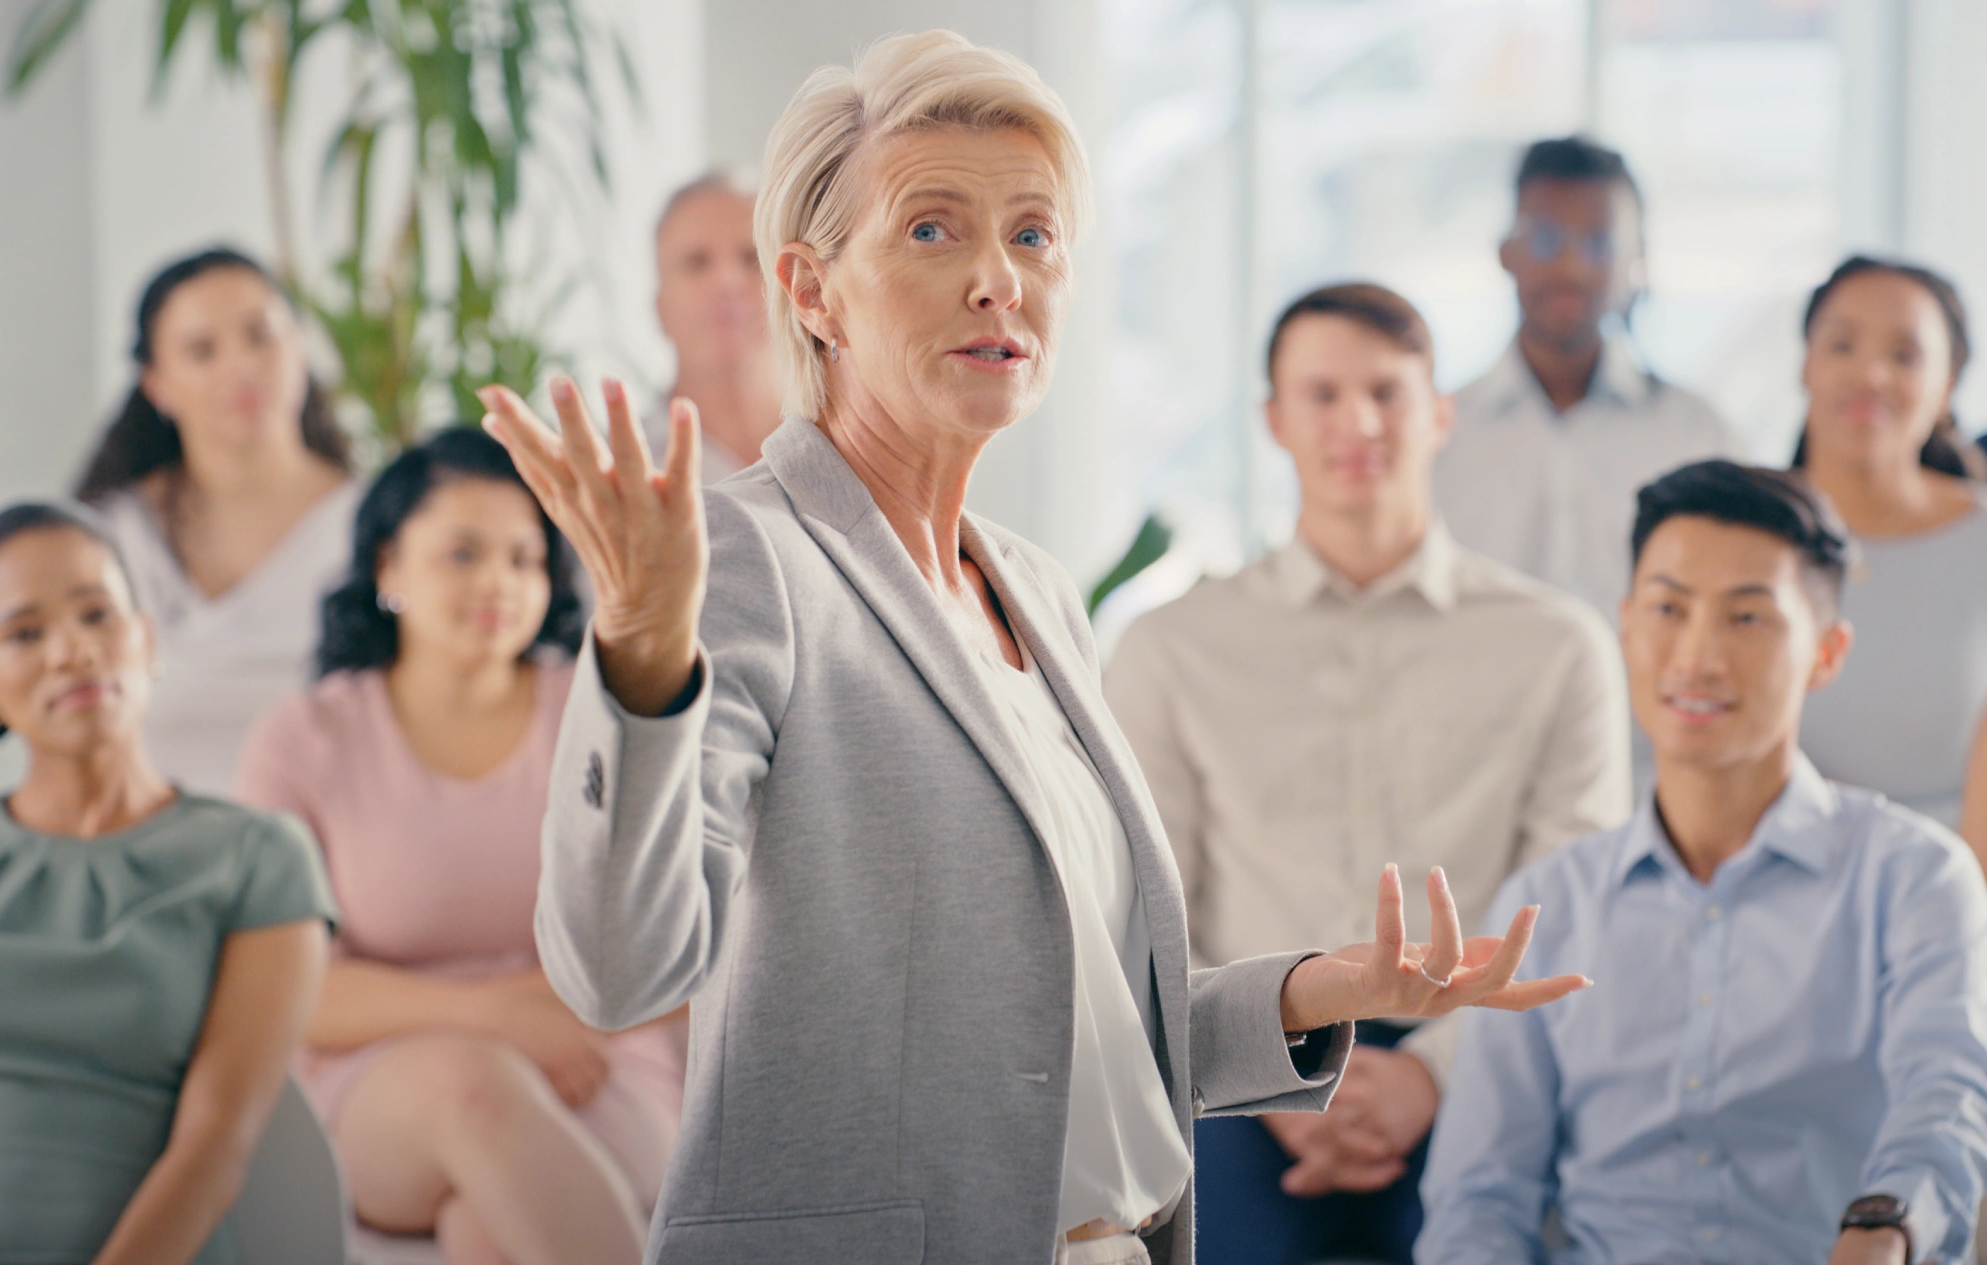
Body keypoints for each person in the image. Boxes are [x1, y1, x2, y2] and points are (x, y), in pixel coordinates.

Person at [476, 30, 1584, 1265]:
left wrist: (1326, 988)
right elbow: (620, 970)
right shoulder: (746, 558)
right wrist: (636, 646)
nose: (997, 277)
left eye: (1034, 234)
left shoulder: (1040, 593)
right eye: (933, 229)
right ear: (810, 288)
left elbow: (1079, 1034)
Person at [1106, 283, 1632, 1265]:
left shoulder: (1556, 644)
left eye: (1386, 392)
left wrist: (1434, 1075)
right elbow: (1143, 910)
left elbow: (1574, 898)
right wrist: (1273, 1067)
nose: (1356, 421)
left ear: (1439, 413)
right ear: (1273, 419)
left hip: (1478, 1057)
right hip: (1242, 1069)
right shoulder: (1169, 647)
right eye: (1320, 393)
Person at [1418, 460, 1987, 1265]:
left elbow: (1949, 1100)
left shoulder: (1918, 878)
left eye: (1747, 618)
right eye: (1667, 609)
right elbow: (1480, 1198)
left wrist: (1886, 1228)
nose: (1696, 656)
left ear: (1827, 652)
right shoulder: (1546, 905)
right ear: (1624, 625)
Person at [233, 429, 684, 1265]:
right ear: (387, 568)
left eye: (524, 557)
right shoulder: (305, 739)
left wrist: (557, 1019)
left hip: (595, 1062)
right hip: (386, 1080)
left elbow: (672, 937)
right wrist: (495, 1018)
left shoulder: (599, 712)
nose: (499, 583)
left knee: (487, 1232)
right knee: (471, 1086)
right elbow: (289, 990)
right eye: (463, 552)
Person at [0, 502, 333, 1265]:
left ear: (145, 640)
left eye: (95, 614)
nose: (72, 650)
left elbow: (219, 1144)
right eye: (24, 632)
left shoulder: (256, 855)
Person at [75, 246, 359, 796]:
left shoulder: (379, 526)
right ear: (156, 384)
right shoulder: (110, 539)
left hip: (334, 863)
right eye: (202, 350)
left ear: (298, 347)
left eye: (260, 335)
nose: (242, 366)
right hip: (154, 862)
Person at [1433, 136, 1740, 617]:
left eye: (1599, 242)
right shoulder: (1437, 437)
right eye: (1545, 239)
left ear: (1636, 257)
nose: (1570, 266)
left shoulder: (1699, 438)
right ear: (1505, 252)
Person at [1785, 257, 1987, 845]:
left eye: (1904, 355)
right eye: (1842, 344)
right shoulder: (1739, 536)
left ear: (1947, 386)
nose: (1870, 374)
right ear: (1806, 365)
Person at [647, 173, 783, 482]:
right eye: (696, 262)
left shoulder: (857, 448)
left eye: (752, 258)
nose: (727, 283)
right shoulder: (607, 471)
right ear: (660, 309)